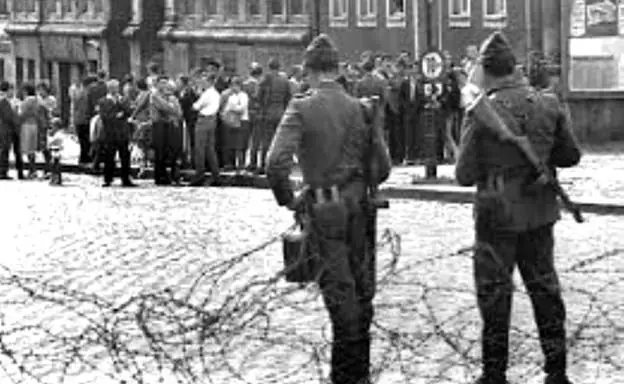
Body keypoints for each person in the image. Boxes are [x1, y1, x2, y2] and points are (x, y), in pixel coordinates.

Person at [455, 31, 582, 384]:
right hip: (539, 210)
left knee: (495, 297)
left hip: (496, 214)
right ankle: (556, 372)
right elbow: (571, 155)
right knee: (545, 291)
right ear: (514, 67)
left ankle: (494, 374)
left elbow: (464, 174)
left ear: (487, 71)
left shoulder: (481, 110)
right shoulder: (549, 103)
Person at [266, 34, 391, 384]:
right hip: (360, 210)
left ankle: (346, 378)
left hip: (324, 212)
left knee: (341, 299)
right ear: (337, 70)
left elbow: (276, 163)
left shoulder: (302, 107)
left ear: (308, 71)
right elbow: (382, 169)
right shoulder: (361, 108)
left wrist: (289, 199)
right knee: (361, 294)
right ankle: (357, 374)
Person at [97, 79, 136, 188]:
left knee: (125, 156)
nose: (115, 90)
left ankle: (126, 178)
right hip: (110, 132)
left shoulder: (123, 99)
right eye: (113, 88)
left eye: (117, 87)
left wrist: (123, 108)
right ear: (109, 89)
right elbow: (104, 116)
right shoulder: (103, 101)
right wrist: (115, 116)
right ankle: (108, 179)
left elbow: (129, 112)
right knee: (109, 157)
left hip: (123, 132)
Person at [257, 57, 292, 174]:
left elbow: (259, 97)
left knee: (266, 141)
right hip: (281, 112)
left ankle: (263, 165)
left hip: (267, 112)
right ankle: (278, 167)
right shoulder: (284, 80)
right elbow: (288, 97)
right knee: (279, 141)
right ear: (279, 67)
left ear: (269, 66)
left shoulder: (265, 79)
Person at [190, 73, 221, 187]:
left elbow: (196, 106)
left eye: (204, 82)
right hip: (212, 120)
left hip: (203, 120)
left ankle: (199, 174)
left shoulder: (207, 94)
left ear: (209, 82)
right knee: (210, 149)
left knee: (200, 149)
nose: (202, 84)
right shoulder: (216, 94)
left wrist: (195, 101)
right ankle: (216, 174)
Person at [18, 83, 48, 179]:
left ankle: (32, 170)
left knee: (29, 149)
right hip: (36, 125)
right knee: (37, 148)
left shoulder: (27, 101)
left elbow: (23, 114)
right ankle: (44, 168)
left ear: (26, 91)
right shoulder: (38, 100)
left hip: (27, 125)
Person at [219, 76, 249, 171]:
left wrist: (232, 107)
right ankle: (229, 164)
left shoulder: (243, 95)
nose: (233, 87)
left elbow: (242, 108)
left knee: (240, 145)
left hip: (242, 121)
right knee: (230, 144)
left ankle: (241, 164)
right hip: (231, 122)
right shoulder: (230, 96)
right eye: (232, 85)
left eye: (236, 85)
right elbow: (225, 109)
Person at [0, 81, 18, 179]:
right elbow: (8, 116)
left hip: (4, 128)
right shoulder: (4, 101)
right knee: (4, 150)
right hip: (5, 128)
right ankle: (2, 172)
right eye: (12, 90)